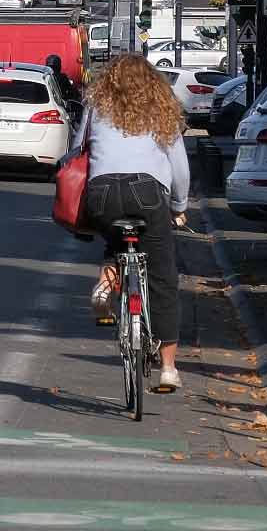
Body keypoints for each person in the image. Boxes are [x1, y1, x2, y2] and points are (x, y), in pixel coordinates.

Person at [69, 53, 189, 393]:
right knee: (163, 277)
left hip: (102, 192)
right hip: (147, 192)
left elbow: (79, 149)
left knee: (115, 241)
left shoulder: (96, 108)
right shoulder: (161, 110)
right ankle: (168, 368)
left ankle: (107, 283)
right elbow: (179, 166)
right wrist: (179, 205)